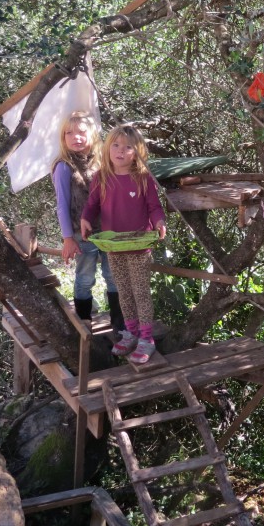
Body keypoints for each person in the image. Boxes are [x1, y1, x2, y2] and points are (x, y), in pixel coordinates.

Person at [80, 124, 167, 363]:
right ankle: (131, 333)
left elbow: (154, 206)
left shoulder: (143, 178)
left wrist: (159, 222)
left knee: (140, 291)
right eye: (116, 145)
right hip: (113, 246)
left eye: (128, 147)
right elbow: (92, 205)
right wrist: (86, 219)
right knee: (123, 292)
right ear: (107, 148)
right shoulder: (101, 177)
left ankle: (146, 338)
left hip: (139, 245)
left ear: (138, 152)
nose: (120, 151)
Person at [51, 110, 124, 331]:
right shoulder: (63, 166)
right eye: (69, 133)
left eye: (81, 132)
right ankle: (84, 323)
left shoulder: (102, 161)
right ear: (63, 138)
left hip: (109, 232)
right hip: (81, 234)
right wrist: (67, 238)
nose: (76, 137)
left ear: (92, 134)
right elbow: (62, 205)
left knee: (113, 276)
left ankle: (119, 323)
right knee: (85, 278)